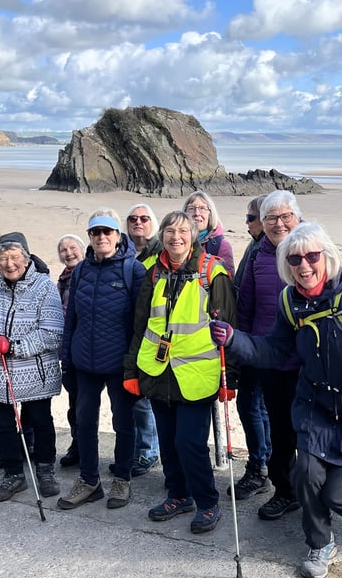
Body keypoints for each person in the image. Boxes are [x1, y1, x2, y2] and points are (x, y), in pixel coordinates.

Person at [211, 222, 342, 578]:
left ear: (326, 257)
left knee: (337, 494)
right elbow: (275, 350)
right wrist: (235, 340)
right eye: (295, 258)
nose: (304, 265)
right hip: (316, 407)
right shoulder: (290, 301)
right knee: (305, 474)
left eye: (312, 256)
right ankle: (320, 542)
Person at [123, 210, 237, 534]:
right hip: (157, 372)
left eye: (183, 231)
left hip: (196, 375)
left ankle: (208, 502)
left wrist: (232, 380)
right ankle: (178, 495)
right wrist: (131, 370)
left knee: (190, 443)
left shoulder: (213, 273)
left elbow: (230, 330)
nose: (176, 237)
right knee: (169, 442)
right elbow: (140, 324)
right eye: (170, 231)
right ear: (162, 235)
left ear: (194, 235)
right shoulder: (152, 273)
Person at [58, 211, 145, 510]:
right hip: (84, 362)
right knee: (84, 422)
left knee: (123, 423)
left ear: (118, 236)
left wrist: (134, 364)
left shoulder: (133, 271)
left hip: (120, 364)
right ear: (90, 238)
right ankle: (89, 480)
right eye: (96, 233)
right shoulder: (81, 270)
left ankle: (122, 478)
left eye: (107, 232)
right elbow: (72, 317)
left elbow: (140, 323)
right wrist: (66, 358)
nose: (102, 237)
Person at [0, 232, 64, 503]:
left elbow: (52, 333)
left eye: (14, 257)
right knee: (3, 426)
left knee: (41, 422)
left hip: (36, 373)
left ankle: (45, 470)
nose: (10, 263)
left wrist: (12, 346)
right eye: (3, 258)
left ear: (26, 258)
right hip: (1, 374)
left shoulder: (45, 286)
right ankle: (14, 475)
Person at [234, 190, 305, 516]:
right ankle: (284, 490)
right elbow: (246, 305)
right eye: (271, 218)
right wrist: (245, 351)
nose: (279, 223)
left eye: (285, 216)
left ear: (297, 218)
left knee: (308, 430)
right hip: (269, 357)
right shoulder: (256, 255)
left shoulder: (310, 251)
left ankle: (314, 495)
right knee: (279, 430)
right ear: (263, 223)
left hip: (307, 361)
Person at [124, 203, 162, 477]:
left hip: (153, 335)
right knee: (132, 397)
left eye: (144, 218)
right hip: (126, 333)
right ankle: (138, 449)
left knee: (145, 398)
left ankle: (149, 452)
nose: (138, 222)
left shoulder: (160, 254)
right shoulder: (123, 253)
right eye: (133, 218)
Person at [55, 233, 85, 468]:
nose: (68, 253)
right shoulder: (62, 280)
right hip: (70, 351)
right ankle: (78, 446)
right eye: (63, 250)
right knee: (75, 404)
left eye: (72, 247)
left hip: (87, 347)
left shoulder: (87, 274)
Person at [183, 190, 235, 276]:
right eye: (191, 208)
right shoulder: (177, 241)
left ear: (210, 213)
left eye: (202, 208)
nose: (197, 213)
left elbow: (227, 282)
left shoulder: (221, 246)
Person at [234, 194, 267, 292]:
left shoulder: (269, 250)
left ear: (263, 220)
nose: (247, 222)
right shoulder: (254, 243)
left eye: (250, 218)